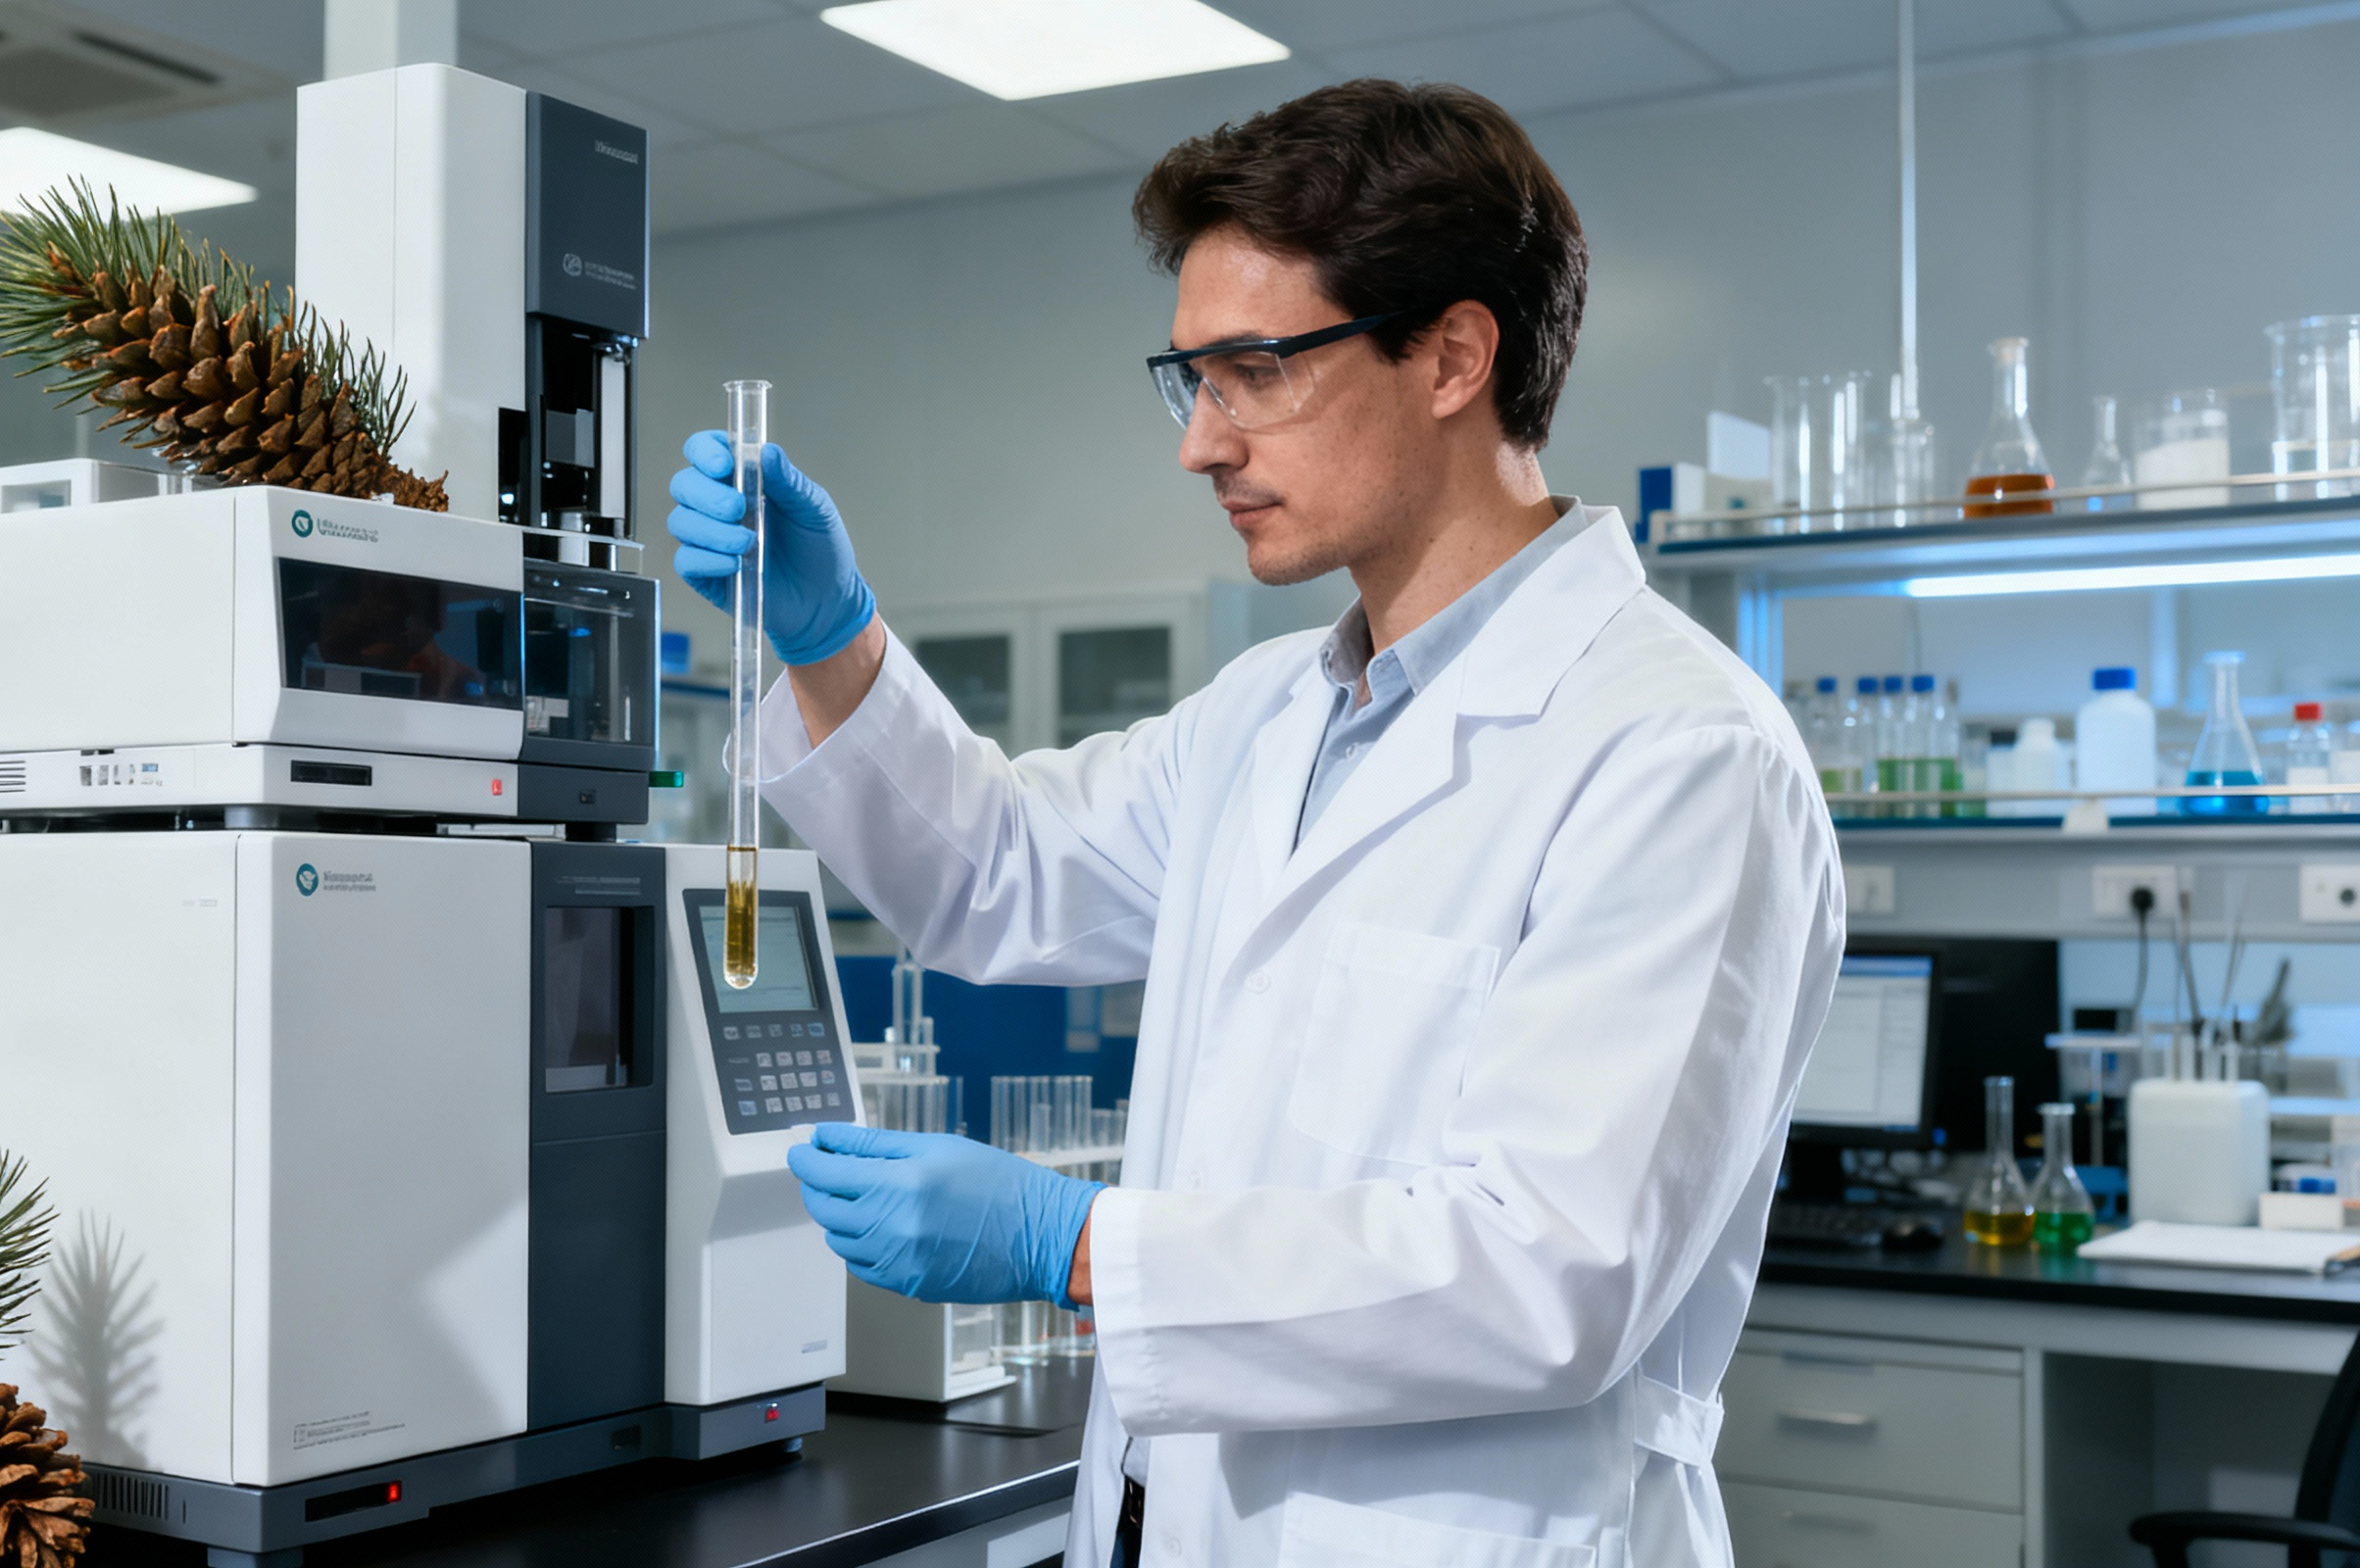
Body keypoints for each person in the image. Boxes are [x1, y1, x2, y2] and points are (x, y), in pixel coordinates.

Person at [666, 79, 1843, 1568]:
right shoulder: (1270, 713)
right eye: (1190, 379)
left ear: (1453, 357)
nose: (1200, 445)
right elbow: (1001, 875)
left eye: (1252, 371)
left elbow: (1552, 1272)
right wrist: (834, 638)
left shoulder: (1679, 753)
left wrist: (1074, 1246)